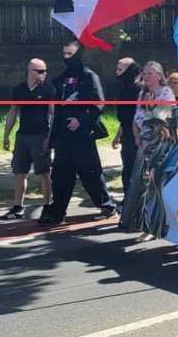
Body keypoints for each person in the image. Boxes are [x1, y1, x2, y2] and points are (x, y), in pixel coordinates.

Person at [39, 41, 121, 226]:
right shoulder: (62, 78)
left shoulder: (89, 76)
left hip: (82, 135)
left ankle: (106, 204)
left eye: (70, 53)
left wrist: (81, 120)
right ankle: (57, 211)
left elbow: (98, 103)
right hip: (63, 136)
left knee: (90, 172)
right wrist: (51, 137)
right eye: (64, 53)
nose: (66, 57)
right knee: (60, 175)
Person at [120, 61, 177, 236]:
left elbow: (161, 118)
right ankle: (140, 221)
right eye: (145, 73)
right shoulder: (143, 94)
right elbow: (136, 117)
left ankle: (156, 224)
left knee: (156, 183)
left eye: (151, 73)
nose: (147, 76)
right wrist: (137, 136)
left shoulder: (166, 93)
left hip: (160, 142)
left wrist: (150, 105)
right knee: (140, 182)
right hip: (143, 142)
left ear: (160, 76)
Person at [0, 58, 56, 221]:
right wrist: (6, 135)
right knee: (19, 172)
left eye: (45, 71)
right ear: (30, 71)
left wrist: (50, 137)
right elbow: (13, 112)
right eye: (40, 71)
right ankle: (18, 207)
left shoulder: (49, 89)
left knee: (44, 172)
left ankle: (47, 205)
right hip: (23, 135)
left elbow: (53, 114)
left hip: (41, 135)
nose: (44, 74)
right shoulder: (20, 89)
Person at [112, 57, 142, 197]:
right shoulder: (124, 88)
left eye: (120, 69)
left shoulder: (138, 89)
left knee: (136, 168)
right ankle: (128, 198)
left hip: (137, 135)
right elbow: (124, 117)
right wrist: (118, 136)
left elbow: (137, 115)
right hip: (126, 134)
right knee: (127, 168)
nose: (117, 72)